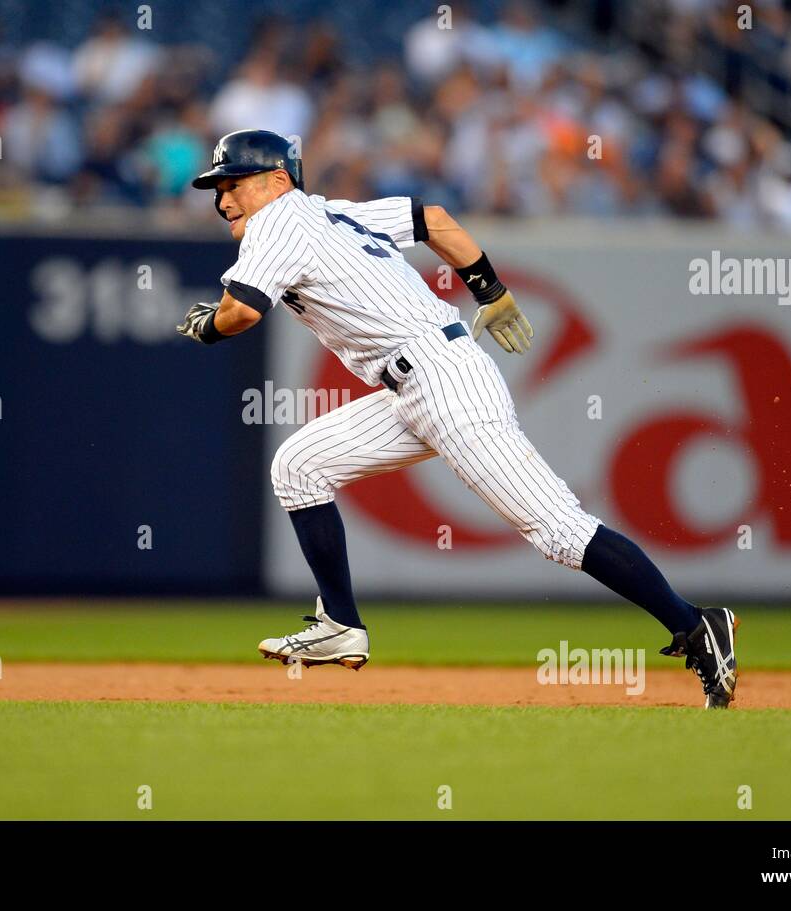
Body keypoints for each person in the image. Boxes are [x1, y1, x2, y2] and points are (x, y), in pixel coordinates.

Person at [177, 129, 739, 708]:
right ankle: (341, 624)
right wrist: (488, 288)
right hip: (414, 382)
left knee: (559, 531)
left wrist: (207, 325)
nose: (223, 200)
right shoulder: (333, 212)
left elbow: (241, 311)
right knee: (298, 466)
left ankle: (696, 626)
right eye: (216, 188)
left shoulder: (278, 220)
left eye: (234, 183)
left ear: (277, 180)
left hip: (441, 382)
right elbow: (435, 219)